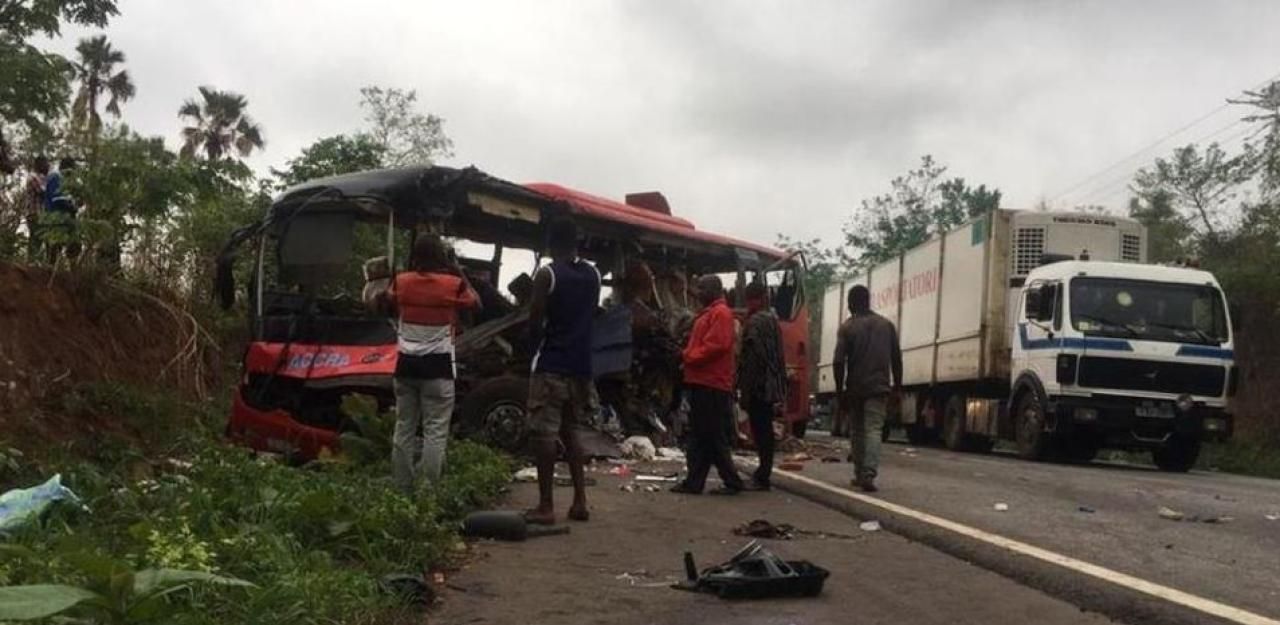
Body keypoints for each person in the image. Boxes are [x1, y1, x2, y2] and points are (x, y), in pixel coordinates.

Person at [379, 234, 480, 494]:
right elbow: (476, 302)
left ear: (415, 257)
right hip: (438, 370)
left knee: (404, 428)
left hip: (405, 368)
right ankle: (427, 491)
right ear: (441, 257)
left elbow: (386, 301)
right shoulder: (453, 285)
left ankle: (401, 488)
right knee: (435, 431)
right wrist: (456, 269)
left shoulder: (401, 282)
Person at [525, 219, 601, 525]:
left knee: (544, 433)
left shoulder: (547, 274)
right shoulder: (593, 275)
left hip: (552, 363)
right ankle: (580, 502)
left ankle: (546, 506)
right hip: (581, 366)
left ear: (550, 243)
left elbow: (535, 320)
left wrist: (529, 352)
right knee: (571, 431)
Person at [671, 275, 746, 495]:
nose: (698, 292)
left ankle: (731, 481)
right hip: (703, 382)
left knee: (711, 436)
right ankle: (695, 481)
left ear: (714, 289)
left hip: (711, 384)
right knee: (702, 436)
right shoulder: (710, 313)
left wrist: (687, 356)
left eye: (702, 288)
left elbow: (716, 346)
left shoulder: (720, 313)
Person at [833, 285, 902, 493]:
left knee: (857, 430)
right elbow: (896, 359)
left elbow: (838, 362)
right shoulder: (886, 325)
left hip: (855, 388)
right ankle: (869, 473)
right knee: (873, 429)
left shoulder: (847, 327)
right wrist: (897, 387)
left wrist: (839, 391)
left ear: (852, 303)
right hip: (879, 387)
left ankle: (859, 472)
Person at [737, 282, 787, 491]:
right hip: (771, 383)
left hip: (759, 385)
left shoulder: (755, 323)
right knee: (764, 428)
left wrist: (745, 389)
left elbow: (752, 358)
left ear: (753, 299)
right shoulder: (773, 321)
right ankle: (763, 472)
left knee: (760, 430)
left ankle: (763, 475)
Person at [23, 156, 49, 260]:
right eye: (46, 164)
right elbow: (43, 192)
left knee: (38, 238)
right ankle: (31, 261)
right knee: (35, 238)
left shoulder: (42, 178)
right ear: (39, 165)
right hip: (34, 213)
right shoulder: (33, 177)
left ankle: (32, 261)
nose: (48, 166)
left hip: (39, 213)